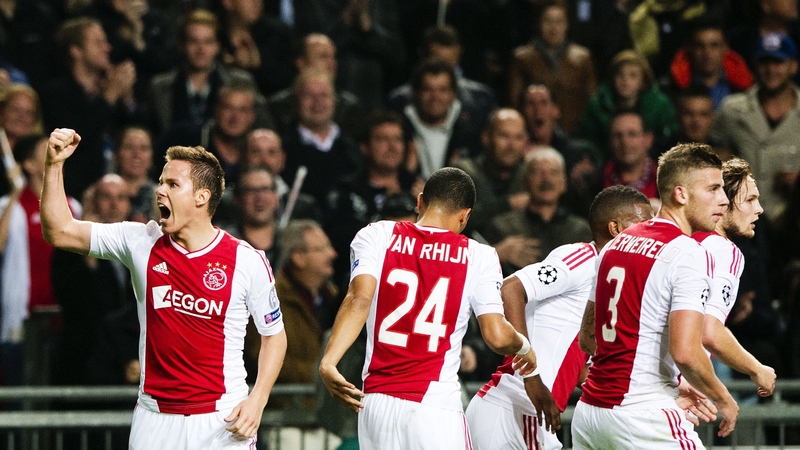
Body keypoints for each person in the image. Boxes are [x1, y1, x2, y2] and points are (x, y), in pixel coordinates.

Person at [41, 128, 287, 448]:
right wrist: (53, 166)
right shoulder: (140, 241)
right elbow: (59, 230)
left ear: (201, 197)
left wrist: (258, 399)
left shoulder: (247, 260)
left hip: (221, 420)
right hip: (154, 420)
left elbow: (274, 335)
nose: (159, 190)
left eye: (172, 184)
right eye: (161, 182)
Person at [319, 167, 538, 450]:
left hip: (375, 405)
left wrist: (329, 361)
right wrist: (523, 347)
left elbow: (358, 299)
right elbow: (496, 335)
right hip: (434, 406)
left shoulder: (376, 234)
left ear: (420, 201)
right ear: (465, 216)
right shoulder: (479, 255)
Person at [571, 143, 739, 449]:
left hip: (590, 414)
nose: (724, 200)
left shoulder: (615, 244)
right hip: (643, 416)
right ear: (681, 194)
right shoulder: (688, 252)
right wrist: (723, 398)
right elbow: (686, 353)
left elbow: (587, 338)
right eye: (713, 189)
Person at [467, 185, 653, 450]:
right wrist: (532, 376)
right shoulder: (583, 259)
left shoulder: (610, 281)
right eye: (644, 225)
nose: (650, 236)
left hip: (531, 415)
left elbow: (578, 366)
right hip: (515, 409)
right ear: (616, 229)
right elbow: (511, 288)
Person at [0, 134, 81, 386]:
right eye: (48, 149)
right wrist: (15, 193)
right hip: (21, 321)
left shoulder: (74, 207)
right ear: (29, 164)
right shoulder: (8, 206)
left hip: (63, 319)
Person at [693, 158, 776, 396]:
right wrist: (757, 369)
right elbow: (709, 332)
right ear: (723, 203)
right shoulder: (724, 250)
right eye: (749, 200)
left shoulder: (684, 240)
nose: (759, 209)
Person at [710, 32, 800, 218]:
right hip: (743, 217)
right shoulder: (732, 109)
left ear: (793, 66)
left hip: (793, 218)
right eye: (764, 62)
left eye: (778, 62)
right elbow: (713, 151)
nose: (770, 70)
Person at [484, 147, 592, 276]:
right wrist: (498, 254)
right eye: (537, 172)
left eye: (553, 172)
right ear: (525, 182)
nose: (546, 179)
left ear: (564, 183)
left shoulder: (581, 231)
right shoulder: (502, 227)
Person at [507, 1, 596, 135]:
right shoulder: (522, 58)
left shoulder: (582, 58)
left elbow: (591, 101)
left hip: (574, 132)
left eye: (559, 21)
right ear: (539, 24)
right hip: (534, 132)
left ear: (566, 25)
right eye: (548, 21)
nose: (553, 27)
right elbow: (515, 102)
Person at [453, 108, 528, 237]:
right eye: (504, 136)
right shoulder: (464, 173)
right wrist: (508, 204)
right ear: (486, 137)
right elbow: (455, 218)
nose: (512, 146)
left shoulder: (530, 175)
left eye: (518, 137)